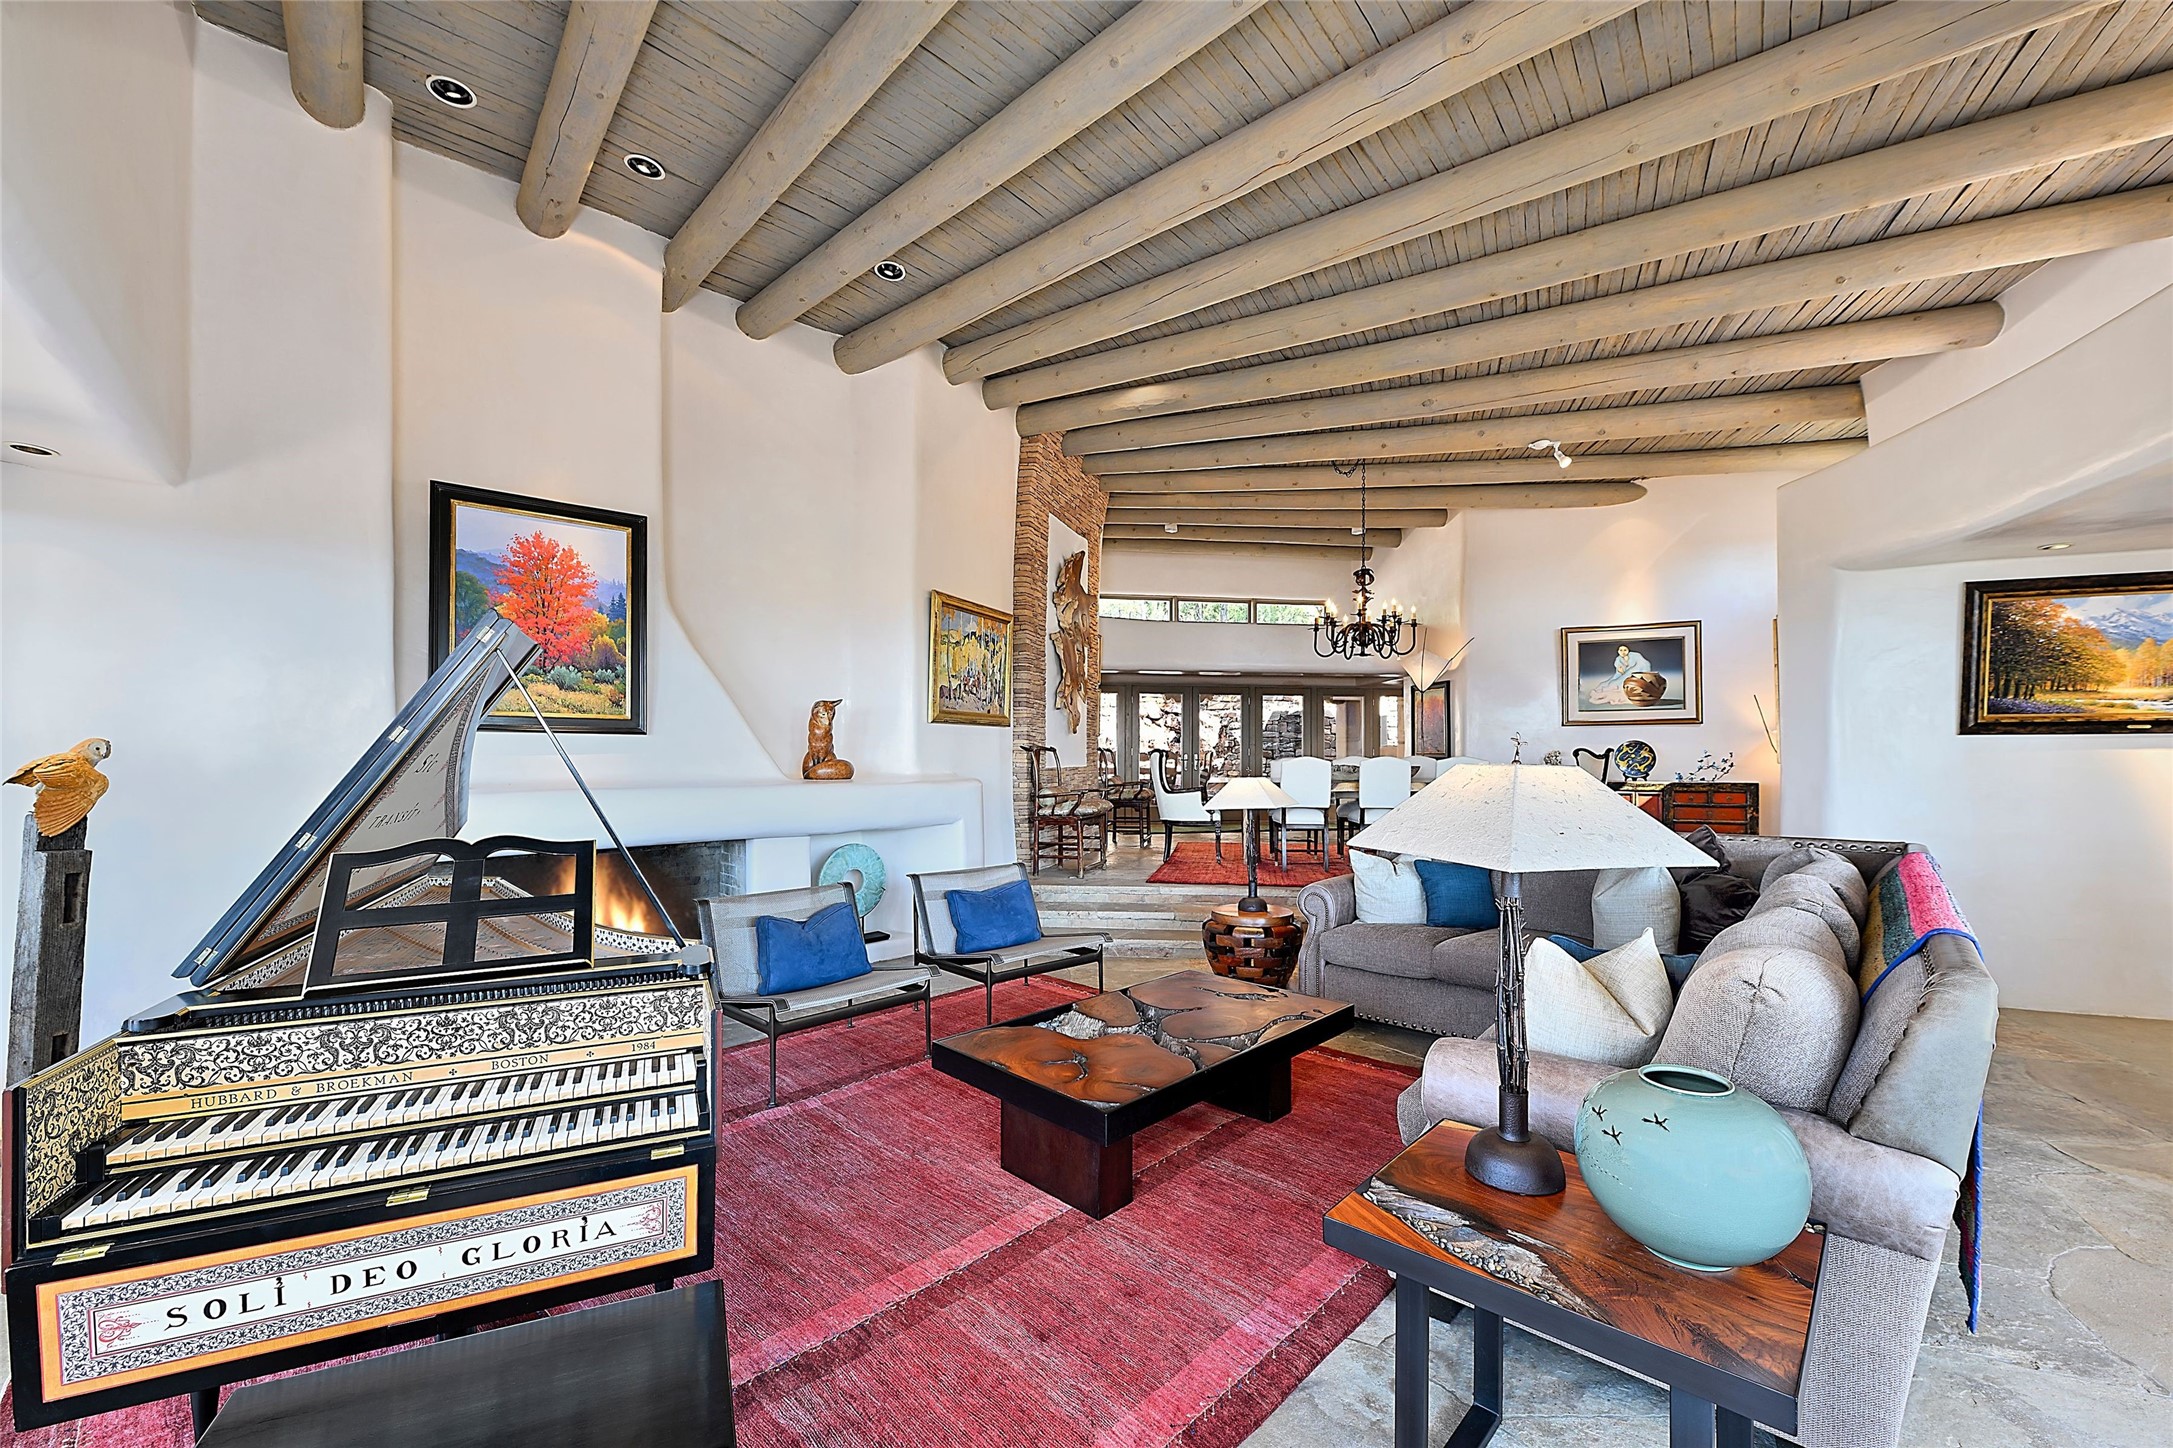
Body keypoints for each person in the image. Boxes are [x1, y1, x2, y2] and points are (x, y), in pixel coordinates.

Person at [1587, 644, 1652, 706]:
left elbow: (1641, 665)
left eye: (1625, 650)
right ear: (1618, 651)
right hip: (1625, 675)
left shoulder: (1635, 656)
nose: (1623, 652)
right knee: (1605, 684)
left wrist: (1629, 673)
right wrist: (1620, 669)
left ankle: (1617, 688)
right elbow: (1619, 672)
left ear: (1628, 650)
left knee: (1616, 683)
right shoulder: (1618, 659)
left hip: (1636, 672)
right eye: (1621, 650)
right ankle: (1611, 688)